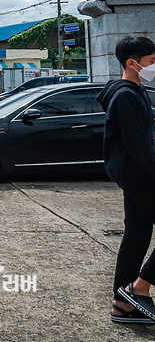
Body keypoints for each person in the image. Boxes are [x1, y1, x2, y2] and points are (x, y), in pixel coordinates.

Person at [97, 36, 155, 324]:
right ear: (133, 64)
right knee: (136, 235)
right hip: (140, 176)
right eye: (152, 62)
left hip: (134, 176)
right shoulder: (125, 96)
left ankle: (123, 305)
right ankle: (138, 288)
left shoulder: (134, 90)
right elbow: (138, 146)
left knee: (137, 235)